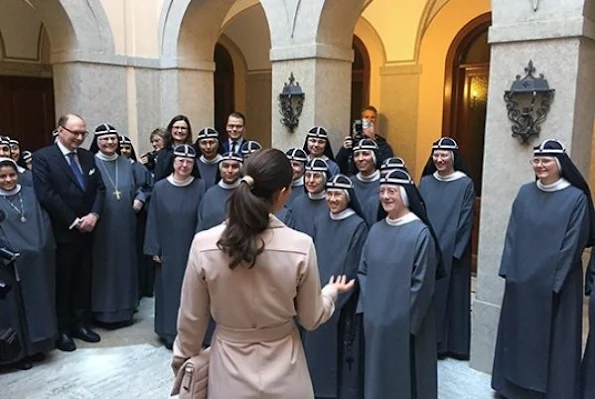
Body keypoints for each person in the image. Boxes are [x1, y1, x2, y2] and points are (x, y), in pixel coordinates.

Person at [172, 148, 354, 398]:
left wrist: (182, 363)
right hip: (286, 369)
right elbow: (311, 318)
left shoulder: (204, 244)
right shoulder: (301, 246)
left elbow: (191, 320)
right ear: (282, 193)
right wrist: (330, 294)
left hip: (228, 370)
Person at [491, 139, 595, 399]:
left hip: (554, 288)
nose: (539, 165)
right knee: (516, 339)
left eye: (545, 161)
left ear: (559, 164)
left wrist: (552, 282)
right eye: (536, 160)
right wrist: (510, 272)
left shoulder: (576, 199)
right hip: (521, 283)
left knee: (554, 344)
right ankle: (510, 389)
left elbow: (573, 245)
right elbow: (512, 234)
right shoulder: (525, 192)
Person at [358, 169, 439, 399]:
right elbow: (363, 271)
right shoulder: (375, 229)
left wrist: (402, 321)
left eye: (392, 191)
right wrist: (371, 309)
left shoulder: (420, 233)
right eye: (382, 191)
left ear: (405, 196)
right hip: (375, 319)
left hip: (404, 324)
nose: (385, 196)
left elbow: (422, 283)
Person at [32, 113, 105, 352]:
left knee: (84, 279)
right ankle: (62, 330)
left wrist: (94, 214)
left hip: (89, 230)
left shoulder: (87, 157)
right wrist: (74, 221)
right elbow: (46, 194)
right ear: (60, 130)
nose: (80, 137)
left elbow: (100, 189)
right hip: (62, 232)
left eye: (84, 133)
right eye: (75, 132)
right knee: (63, 282)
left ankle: (80, 324)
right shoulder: (43, 158)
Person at [304, 174, 369, 399]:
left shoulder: (358, 225)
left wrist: (335, 301)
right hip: (315, 294)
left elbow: (353, 266)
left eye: (337, 194)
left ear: (348, 197)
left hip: (341, 301)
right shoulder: (321, 220)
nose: (332, 199)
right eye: (329, 194)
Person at [144, 144, 206, 349]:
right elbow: (152, 219)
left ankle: (193, 333)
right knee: (169, 291)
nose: (185, 165)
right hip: (168, 251)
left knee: (194, 292)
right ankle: (170, 331)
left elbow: (203, 218)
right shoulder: (160, 187)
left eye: (189, 161)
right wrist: (154, 248)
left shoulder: (201, 186)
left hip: (192, 248)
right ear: (173, 162)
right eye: (181, 161)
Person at [419, 137, 475, 360]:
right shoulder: (425, 182)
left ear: (453, 157)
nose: (440, 159)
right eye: (436, 155)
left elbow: (466, 219)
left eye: (444, 155)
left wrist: (455, 251)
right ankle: (430, 342)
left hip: (453, 252)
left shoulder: (465, 183)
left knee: (451, 299)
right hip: (428, 248)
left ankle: (451, 345)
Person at [0, 158, 56, 370]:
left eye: (12, 175)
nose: (8, 180)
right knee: (16, 309)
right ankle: (20, 354)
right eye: (2, 176)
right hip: (9, 264)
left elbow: (44, 221)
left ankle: (39, 347)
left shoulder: (31, 193)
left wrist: (41, 245)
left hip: (36, 259)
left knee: (38, 303)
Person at [89, 125, 148, 325]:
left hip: (126, 222)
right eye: (105, 139)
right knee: (104, 265)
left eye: (113, 138)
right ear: (97, 141)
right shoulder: (91, 163)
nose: (110, 143)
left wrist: (140, 198)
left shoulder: (128, 164)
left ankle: (125, 309)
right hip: (101, 225)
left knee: (125, 263)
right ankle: (103, 312)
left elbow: (143, 186)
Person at [118, 135, 154, 299]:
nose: (124, 150)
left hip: (138, 217)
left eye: (127, 147)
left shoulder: (139, 168)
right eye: (121, 147)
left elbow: (148, 188)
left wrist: (141, 199)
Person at [336, 106, 394, 175]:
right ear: (361, 120)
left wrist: (372, 140)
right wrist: (344, 149)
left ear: (376, 120)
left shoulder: (382, 143)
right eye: (366, 117)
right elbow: (338, 164)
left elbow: (386, 165)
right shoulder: (352, 141)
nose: (370, 120)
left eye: (373, 117)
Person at [196, 152, 243, 232]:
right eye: (226, 166)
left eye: (234, 166)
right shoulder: (210, 194)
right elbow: (202, 225)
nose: (230, 170)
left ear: (241, 170)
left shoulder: (248, 192)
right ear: (220, 169)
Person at [290, 158, 331, 237]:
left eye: (316, 176)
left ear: (325, 179)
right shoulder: (297, 203)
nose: (311, 180)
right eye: (308, 176)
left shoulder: (331, 203)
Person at [153, 115, 194, 182]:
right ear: (171, 129)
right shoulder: (163, 153)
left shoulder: (193, 152)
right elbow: (158, 179)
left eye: (183, 128)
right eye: (176, 127)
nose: (180, 131)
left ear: (188, 131)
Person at [350, 139, 381, 206]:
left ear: (374, 157)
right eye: (356, 155)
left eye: (365, 154)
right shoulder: (350, 183)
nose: (360, 159)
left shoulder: (384, 182)